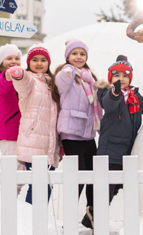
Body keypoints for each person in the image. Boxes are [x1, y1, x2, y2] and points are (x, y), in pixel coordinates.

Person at [95, 55, 143, 205]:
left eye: (124, 76)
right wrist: (115, 93)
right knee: (106, 187)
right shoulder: (106, 93)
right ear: (110, 79)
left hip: (128, 149)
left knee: (117, 185)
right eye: (116, 76)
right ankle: (97, 217)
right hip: (110, 149)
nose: (121, 78)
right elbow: (109, 104)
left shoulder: (134, 95)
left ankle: (91, 217)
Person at [53, 38, 102, 228]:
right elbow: (61, 84)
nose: (78, 57)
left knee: (93, 174)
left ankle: (91, 213)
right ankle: (69, 216)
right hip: (71, 133)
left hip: (88, 134)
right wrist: (66, 72)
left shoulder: (89, 77)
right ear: (68, 57)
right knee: (78, 176)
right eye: (74, 54)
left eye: (82, 54)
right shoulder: (66, 74)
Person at [6, 42, 60, 204]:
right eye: (34, 59)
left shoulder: (52, 85)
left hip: (49, 145)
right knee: (38, 185)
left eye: (43, 60)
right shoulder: (31, 82)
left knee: (46, 184)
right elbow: (23, 82)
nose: (39, 63)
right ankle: (31, 220)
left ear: (48, 63)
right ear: (28, 63)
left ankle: (35, 220)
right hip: (33, 142)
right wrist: (18, 74)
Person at [0, 44, 25, 194]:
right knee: (13, 166)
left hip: (20, 130)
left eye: (17, 58)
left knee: (21, 167)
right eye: (9, 58)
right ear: (1, 62)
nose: (13, 61)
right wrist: (7, 76)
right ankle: (7, 200)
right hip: (7, 130)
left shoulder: (22, 76)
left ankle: (11, 200)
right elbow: (1, 88)